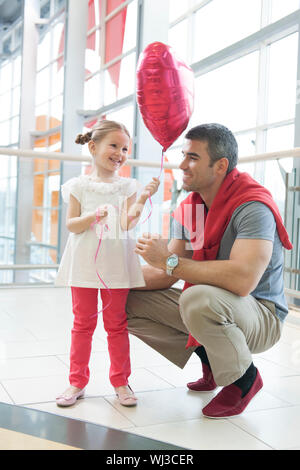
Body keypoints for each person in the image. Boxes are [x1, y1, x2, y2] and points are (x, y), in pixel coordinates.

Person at [126, 123, 292, 418]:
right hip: (218, 306)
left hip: (262, 315)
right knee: (125, 301)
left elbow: (242, 281)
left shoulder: (252, 206)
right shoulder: (191, 206)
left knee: (197, 298)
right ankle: (214, 361)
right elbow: (166, 274)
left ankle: (244, 380)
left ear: (221, 166)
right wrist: (113, 278)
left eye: (193, 157)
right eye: (183, 155)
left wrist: (167, 260)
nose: (182, 165)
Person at [55, 120, 160, 407]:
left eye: (125, 148)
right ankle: (76, 381)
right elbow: (72, 225)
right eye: (114, 145)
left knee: (116, 325)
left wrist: (143, 199)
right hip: (84, 265)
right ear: (93, 147)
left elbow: (126, 224)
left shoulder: (128, 186)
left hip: (116, 265)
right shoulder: (77, 185)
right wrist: (92, 217)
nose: (120, 153)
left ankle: (121, 381)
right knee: (82, 324)